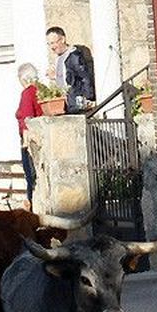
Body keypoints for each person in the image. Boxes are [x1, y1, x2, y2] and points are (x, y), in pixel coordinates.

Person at [46, 25, 96, 113]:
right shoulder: (59, 59)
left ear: (62, 39)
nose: (52, 47)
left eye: (54, 42)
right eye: (50, 44)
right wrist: (55, 77)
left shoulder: (74, 56)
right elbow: (67, 79)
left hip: (77, 105)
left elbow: (85, 77)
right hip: (67, 106)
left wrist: (88, 99)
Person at [15, 62, 43, 204]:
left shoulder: (28, 92)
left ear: (23, 78)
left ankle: (32, 207)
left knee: (31, 177)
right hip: (40, 137)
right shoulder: (40, 90)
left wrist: (25, 144)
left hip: (29, 140)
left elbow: (27, 118)